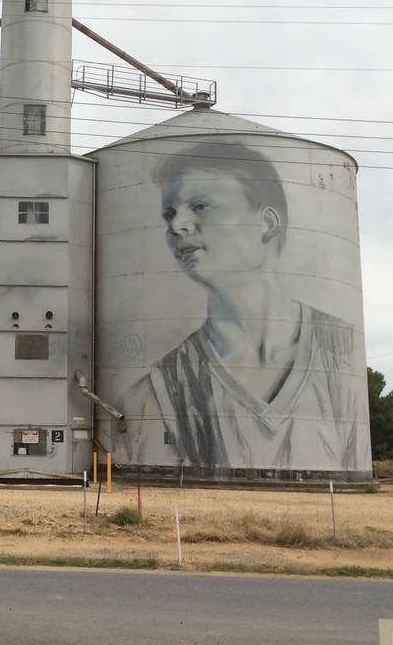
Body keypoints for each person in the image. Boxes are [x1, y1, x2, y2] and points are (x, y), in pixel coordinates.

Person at [117, 141, 368, 475]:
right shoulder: (153, 395)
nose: (177, 226)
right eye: (170, 214)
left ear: (267, 222)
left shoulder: (342, 355)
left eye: (200, 206)